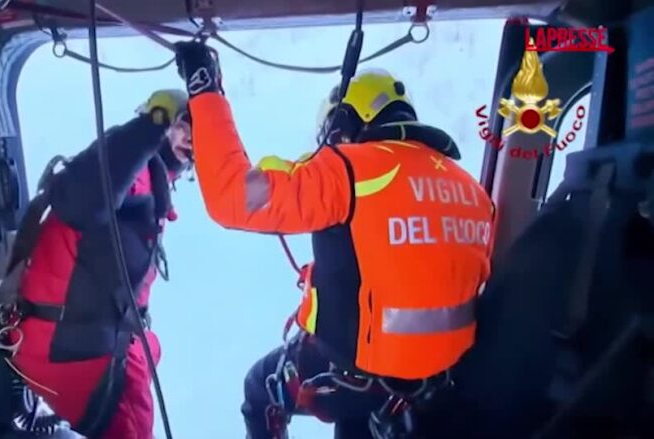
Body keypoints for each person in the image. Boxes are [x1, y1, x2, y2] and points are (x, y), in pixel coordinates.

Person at [172, 41, 496, 438]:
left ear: (346, 120)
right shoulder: (474, 192)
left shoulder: (348, 169)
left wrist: (204, 88)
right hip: (437, 381)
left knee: (260, 390)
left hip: (355, 374)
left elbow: (233, 197)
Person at [8, 89, 193, 439]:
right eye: (184, 123)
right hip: (72, 352)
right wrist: (149, 126)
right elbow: (82, 201)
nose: (191, 141)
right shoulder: (133, 167)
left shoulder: (150, 183)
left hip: (77, 347)